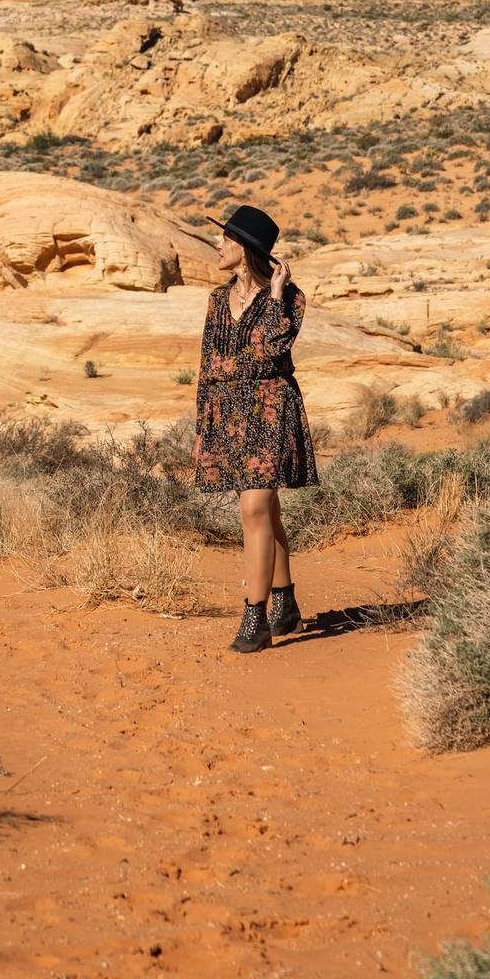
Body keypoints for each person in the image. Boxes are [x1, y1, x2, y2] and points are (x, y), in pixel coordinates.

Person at [193, 204, 318, 653]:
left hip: (270, 409)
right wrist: (204, 426)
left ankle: (256, 617)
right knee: (267, 512)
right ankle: (285, 605)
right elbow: (209, 366)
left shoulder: (290, 299)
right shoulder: (214, 300)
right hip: (229, 412)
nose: (218, 245)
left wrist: (277, 296)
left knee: (253, 511)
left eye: (226, 239)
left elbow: (269, 349)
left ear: (245, 249)